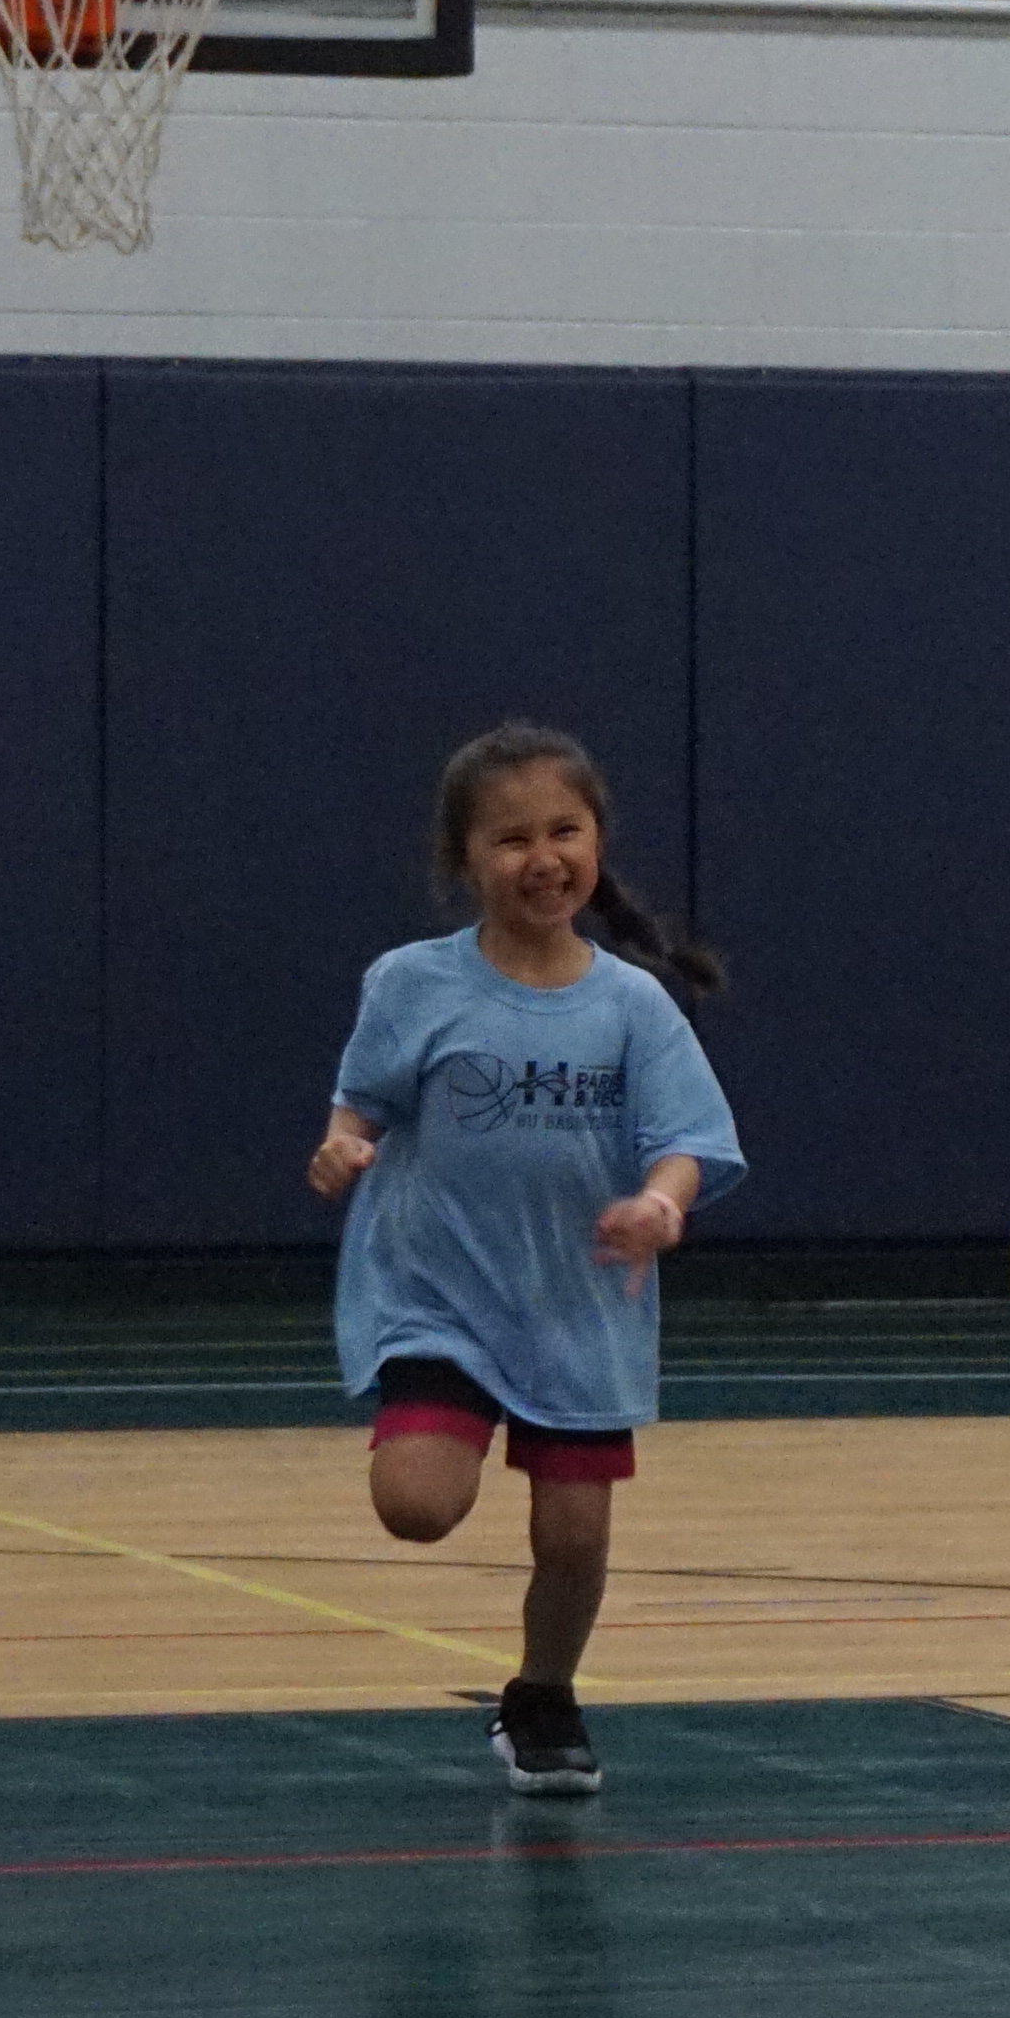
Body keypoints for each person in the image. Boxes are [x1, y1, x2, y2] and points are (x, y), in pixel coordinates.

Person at [310, 723, 745, 1798]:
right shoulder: (412, 982)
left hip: (579, 1304)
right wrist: (344, 1141)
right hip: (440, 1293)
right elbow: (360, 1101)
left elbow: (688, 1141)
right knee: (415, 1502)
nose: (542, 856)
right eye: (511, 838)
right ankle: (438, 1433)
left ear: (597, 841)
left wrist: (659, 1201)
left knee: (576, 1531)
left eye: (565, 829)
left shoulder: (632, 1003)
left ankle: (543, 1692)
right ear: (465, 860)